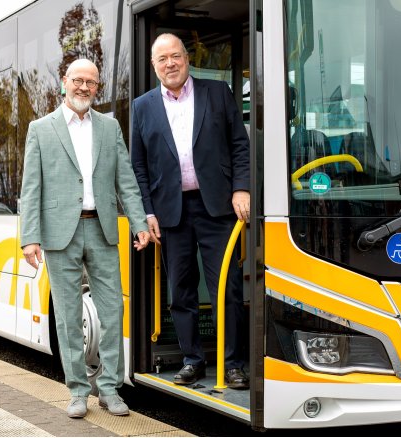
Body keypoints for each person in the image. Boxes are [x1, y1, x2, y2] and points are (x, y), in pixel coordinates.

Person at [19, 59, 151, 418]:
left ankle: (109, 389)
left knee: (113, 309)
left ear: (97, 88)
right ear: (64, 83)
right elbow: (30, 188)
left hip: (103, 228)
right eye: (77, 80)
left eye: (91, 82)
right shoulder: (41, 129)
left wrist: (138, 222)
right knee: (67, 314)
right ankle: (78, 390)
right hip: (60, 232)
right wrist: (29, 236)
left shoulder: (109, 127)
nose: (84, 87)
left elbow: (126, 180)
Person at [130, 33, 251, 389]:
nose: (170, 63)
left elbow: (240, 146)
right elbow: (139, 167)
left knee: (226, 289)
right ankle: (192, 360)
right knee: (180, 291)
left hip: (218, 207)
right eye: (162, 59)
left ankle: (232, 363)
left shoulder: (217, 93)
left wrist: (241, 188)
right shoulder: (142, 106)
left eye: (176, 56)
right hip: (171, 212)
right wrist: (147, 212)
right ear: (154, 66)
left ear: (187, 58)